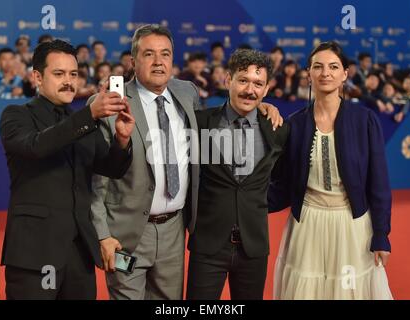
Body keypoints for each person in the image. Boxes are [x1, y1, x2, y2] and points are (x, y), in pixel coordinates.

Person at [89, 24, 283, 300]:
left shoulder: (186, 93)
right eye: (149, 54)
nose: (158, 62)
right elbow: (97, 179)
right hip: (127, 237)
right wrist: (102, 236)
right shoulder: (111, 102)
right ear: (133, 61)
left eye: (165, 54)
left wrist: (263, 106)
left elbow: (228, 116)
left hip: (174, 233)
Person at [0, 39, 135, 300]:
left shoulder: (83, 122)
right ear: (37, 77)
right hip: (34, 253)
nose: (69, 81)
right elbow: (36, 146)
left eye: (74, 74)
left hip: (79, 253)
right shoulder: (16, 115)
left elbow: (111, 168)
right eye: (59, 74)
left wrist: (122, 140)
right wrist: (88, 116)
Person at [269, 41, 393, 300]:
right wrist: (244, 202)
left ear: (344, 74)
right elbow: (282, 185)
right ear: (309, 74)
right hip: (306, 227)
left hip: (352, 225)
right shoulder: (295, 125)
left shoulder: (365, 120)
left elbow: (378, 183)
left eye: (333, 67)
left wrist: (381, 234)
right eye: (318, 67)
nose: (325, 73)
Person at [186, 49, 289, 300]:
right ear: (227, 80)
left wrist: (256, 203)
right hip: (208, 245)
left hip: (253, 247)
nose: (249, 90)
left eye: (258, 84)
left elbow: (285, 182)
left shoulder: (277, 129)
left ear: (266, 90)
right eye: (243, 81)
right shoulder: (200, 123)